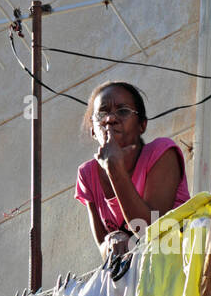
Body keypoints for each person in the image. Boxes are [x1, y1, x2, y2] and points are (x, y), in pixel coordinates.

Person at [74, 81, 190, 259]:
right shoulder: (87, 174)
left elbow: (151, 231)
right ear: (93, 131)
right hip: (134, 280)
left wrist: (114, 169)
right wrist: (113, 241)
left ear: (142, 125)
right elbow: (103, 247)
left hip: (176, 264)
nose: (110, 119)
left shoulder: (162, 152)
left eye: (123, 111)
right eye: (102, 113)